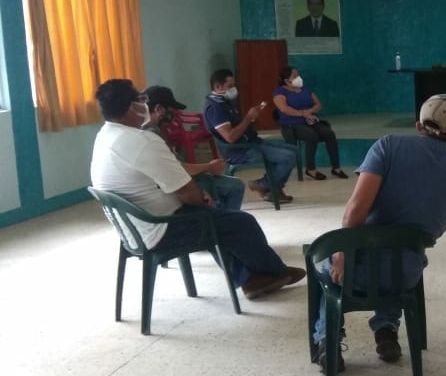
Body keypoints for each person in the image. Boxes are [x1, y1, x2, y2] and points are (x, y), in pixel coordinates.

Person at [90, 79, 306, 301]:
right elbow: (186, 191)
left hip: (134, 230)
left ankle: (250, 279)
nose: (144, 104)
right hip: (161, 229)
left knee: (219, 219)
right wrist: (202, 199)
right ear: (130, 107)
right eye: (140, 99)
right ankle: (276, 273)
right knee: (241, 222)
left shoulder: (106, 135)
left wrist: (198, 198)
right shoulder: (142, 141)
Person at [312, 94, 446, 374]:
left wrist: (342, 255)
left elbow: (356, 211)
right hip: (406, 274)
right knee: (397, 255)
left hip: (357, 271)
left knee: (325, 262)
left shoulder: (388, 146)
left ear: (419, 126)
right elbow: (433, 235)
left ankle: (327, 341)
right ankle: (387, 329)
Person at [142, 85, 244, 211]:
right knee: (233, 187)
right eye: (172, 110)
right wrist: (209, 167)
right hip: (175, 188)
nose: (175, 115)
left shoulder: (154, 131)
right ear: (159, 109)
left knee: (229, 185)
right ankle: (223, 219)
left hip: (178, 183)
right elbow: (179, 169)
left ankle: (223, 218)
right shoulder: (152, 135)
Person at [204, 69, 298, 204]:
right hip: (240, 150)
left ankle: (272, 188)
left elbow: (238, 126)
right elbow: (230, 137)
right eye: (230, 86)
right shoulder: (215, 108)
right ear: (218, 86)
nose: (233, 89)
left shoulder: (224, 102)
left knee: (294, 150)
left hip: (251, 142)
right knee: (288, 156)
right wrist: (248, 118)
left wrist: (252, 118)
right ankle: (265, 185)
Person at [272, 66, 348, 180]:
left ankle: (336, 168)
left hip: (309, 121)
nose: (298, 77)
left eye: (298, 75)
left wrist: (309, 112)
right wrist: (302, 114)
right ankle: (311, 169)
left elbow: (318, 104)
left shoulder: (305, 89)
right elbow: (284, 109)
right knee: (311, 136)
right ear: (287, 80)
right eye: (295, 76)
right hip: (292, 125)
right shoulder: (280, 92)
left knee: (329, 134)